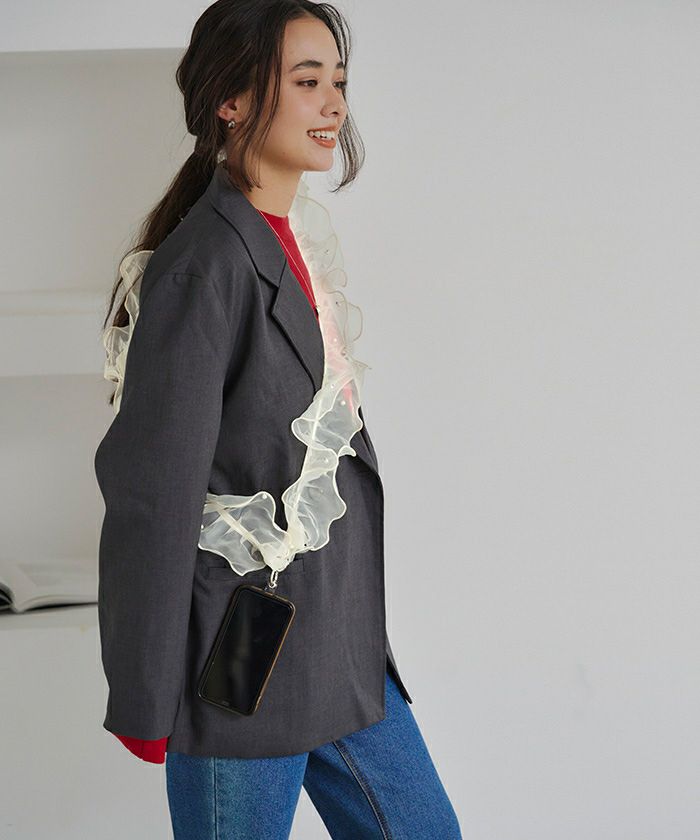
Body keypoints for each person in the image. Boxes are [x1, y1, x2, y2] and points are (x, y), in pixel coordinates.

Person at [95, 1, 462, 837]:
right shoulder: (205, 265)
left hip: (340, 640)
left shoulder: (289, 240)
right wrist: (146, 693)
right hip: (246, 648)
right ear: (230, 100)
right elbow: (153, 491)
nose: (333, 103)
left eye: (339, 81)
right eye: (306, 81)